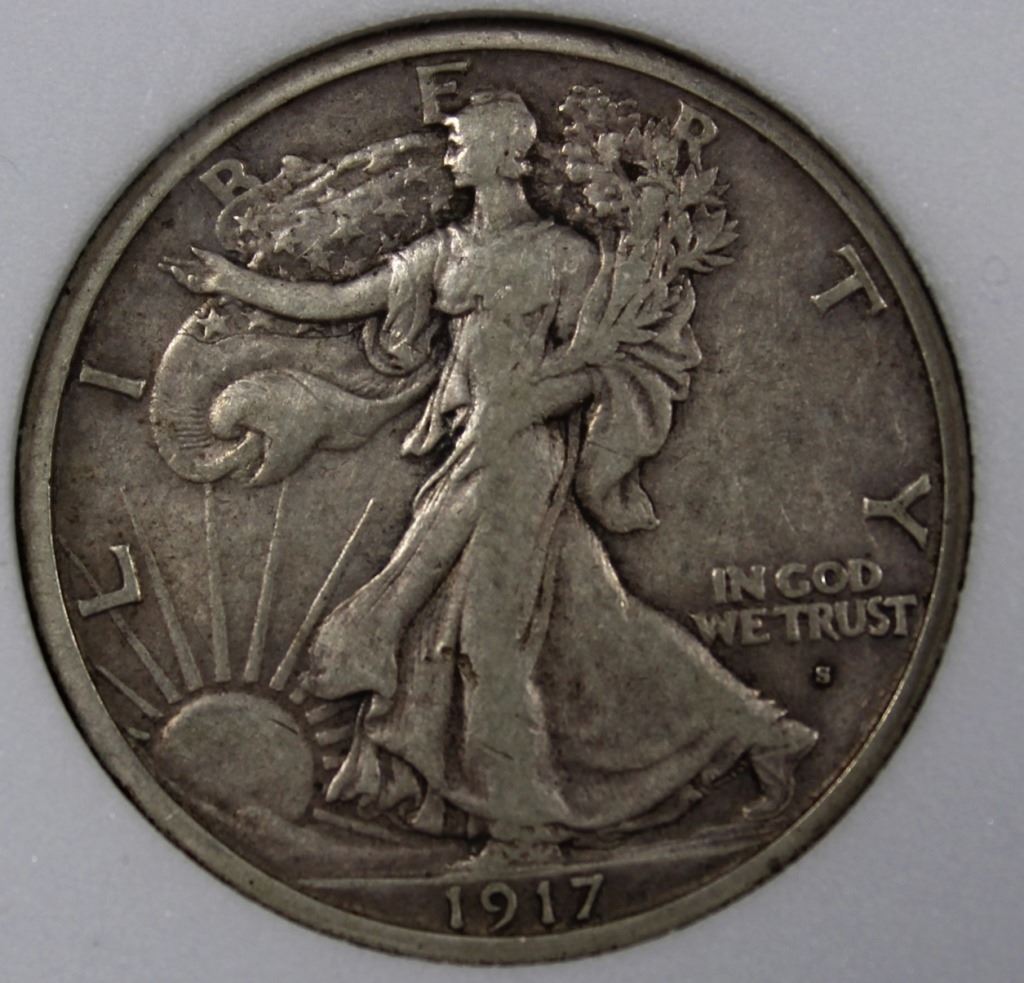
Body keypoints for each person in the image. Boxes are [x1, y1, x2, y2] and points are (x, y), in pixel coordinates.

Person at [166, 91, 817, 852]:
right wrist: (234, 284)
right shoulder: (446, 252)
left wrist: (530, 402)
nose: (450, 155)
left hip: (522, 460)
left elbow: (606, 363)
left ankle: (522, 831)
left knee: (485, 644)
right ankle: (763, 732)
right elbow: (343, 302)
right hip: (470, 453)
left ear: (506, 155)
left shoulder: (565, 256)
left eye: (461, 142)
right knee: (597, 621)